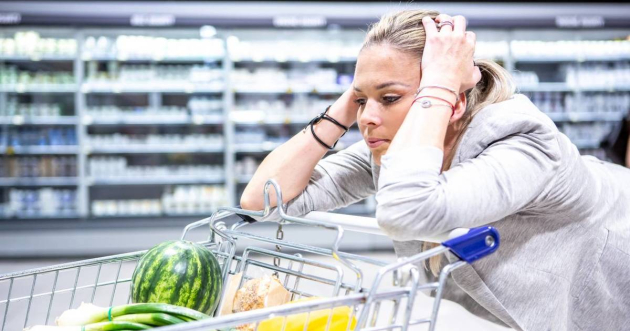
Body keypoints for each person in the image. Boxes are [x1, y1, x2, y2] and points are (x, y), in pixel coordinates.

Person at [240, 9, 630, 331]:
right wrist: (353, 101)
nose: (367, 119)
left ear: (452, 102)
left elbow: (408, 212)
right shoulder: (391, 147)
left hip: (607, 292)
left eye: (389, 97)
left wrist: (441, 81)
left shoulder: (522, 140)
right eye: (362, 102)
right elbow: (263, 200)